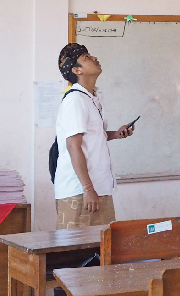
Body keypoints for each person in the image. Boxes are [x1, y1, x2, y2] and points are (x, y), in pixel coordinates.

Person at [54, 43, 134, 229]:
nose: (94, 58)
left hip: (99, 187)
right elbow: (73, 145)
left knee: (103, 244)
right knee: (76, 246)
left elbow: (93, 137)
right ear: (77, 70)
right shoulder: (75, 100)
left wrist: (116, 134)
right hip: (80, 191)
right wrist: (88, 188)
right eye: (86, 58)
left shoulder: (93, 97)